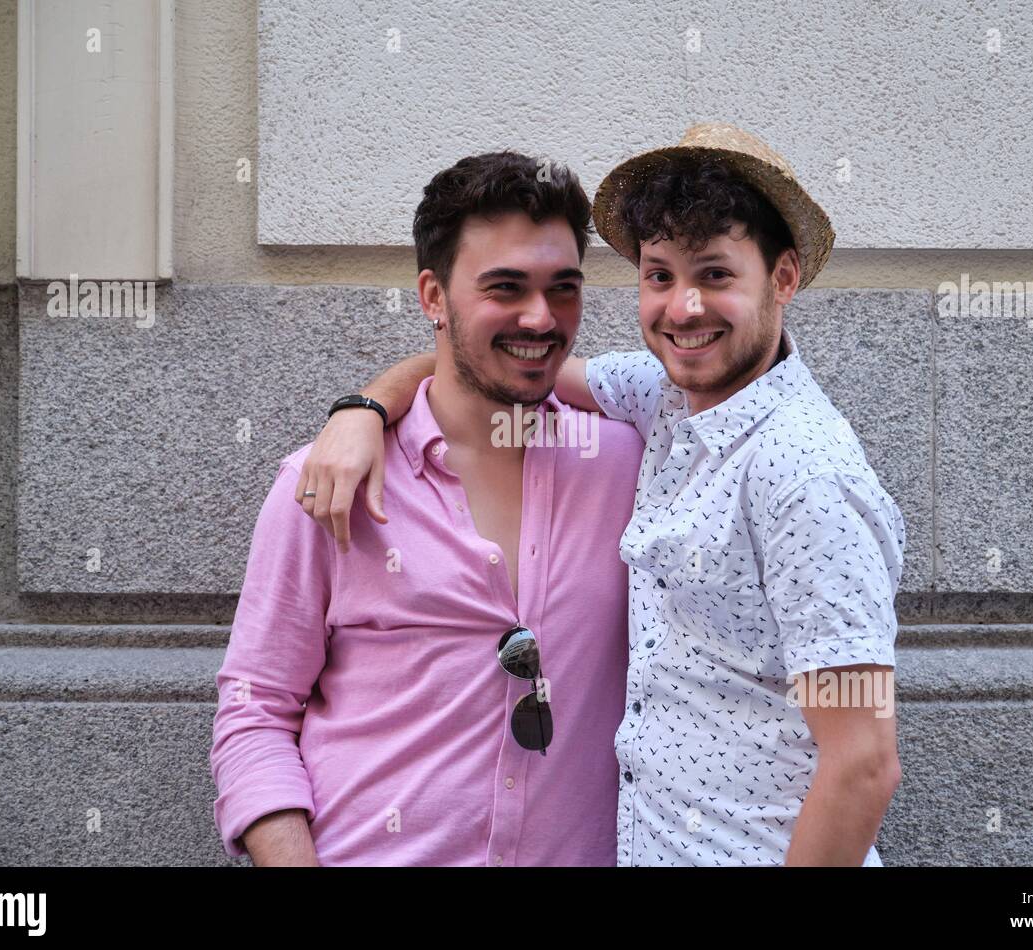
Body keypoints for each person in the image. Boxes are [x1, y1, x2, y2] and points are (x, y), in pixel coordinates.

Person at [299, 123, 905, 865]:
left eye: (715, 275)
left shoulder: (806, 475)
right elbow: (491, 361)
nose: (683, 309)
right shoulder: (665, 394)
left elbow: (865, 763)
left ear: (782, 279)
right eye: (660, 276)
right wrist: (362, 409)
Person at [210, 151, 643, 866]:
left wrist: (369, 397)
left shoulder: (628, 466)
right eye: (505, 287)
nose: (541, 317)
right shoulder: (327, 487)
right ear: (433, 297)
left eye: (562, 288)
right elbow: (254, 715)